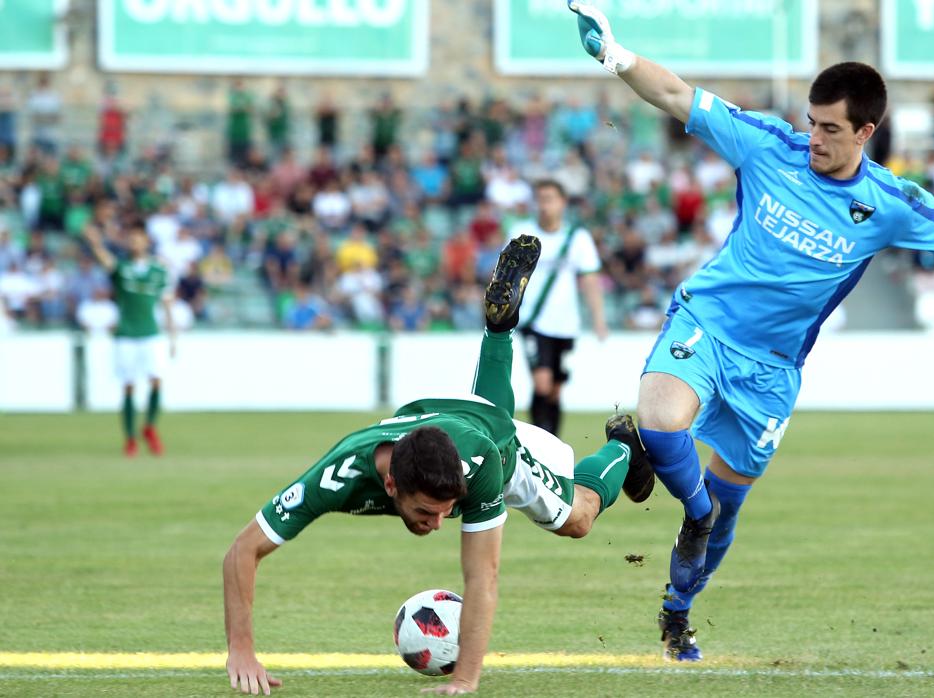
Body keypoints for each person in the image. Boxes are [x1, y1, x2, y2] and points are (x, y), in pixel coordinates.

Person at [566, 0, 934, 661]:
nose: (813, 137)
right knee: (665, 425)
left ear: (865, 131)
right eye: (812, 123)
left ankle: (678, 610)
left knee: (727, 509)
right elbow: (675, 94)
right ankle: (682, 500)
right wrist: (616, 57)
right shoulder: (767, 146)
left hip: (772, 371)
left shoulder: (890, 204)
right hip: (705, 323)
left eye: (829, 129)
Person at [222, 236, 655, 696]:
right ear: (389, 483)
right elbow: (242, 550)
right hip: (447, 413)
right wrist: (241, 649)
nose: (439, 523)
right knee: (490, 407)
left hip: (495, 443)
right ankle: (499, 330)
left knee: (578, 518)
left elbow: (482, 575)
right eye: (428, 512)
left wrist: (465, 680)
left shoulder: (482, 468)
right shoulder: (338, 474)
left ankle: (622, 445)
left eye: (448, 509)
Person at [510, 179, 608, 437]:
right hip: (532, 320)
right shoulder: (523, 234)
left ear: (563, 203)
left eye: (550, 199)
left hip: (566, 324)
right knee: (541, 384)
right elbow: (505, 275)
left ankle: (553, 441)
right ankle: (538, 442)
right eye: (540, 199)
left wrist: (598, 318)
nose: (544, 205)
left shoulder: (577, 237)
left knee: (555, 388)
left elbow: (589, 280)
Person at [83, 223, 176, 456]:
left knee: (156, 380)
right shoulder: (122, 268)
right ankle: (130, 438)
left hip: (151, 333)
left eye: (138, 239)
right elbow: (106, 260)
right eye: (131, 239)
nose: (134, 243)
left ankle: (150, 427)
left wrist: (173, 337)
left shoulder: (159, 271)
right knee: (129, 386)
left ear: (146, 241)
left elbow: (167, 305)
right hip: (126, 335)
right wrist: (95, 242)